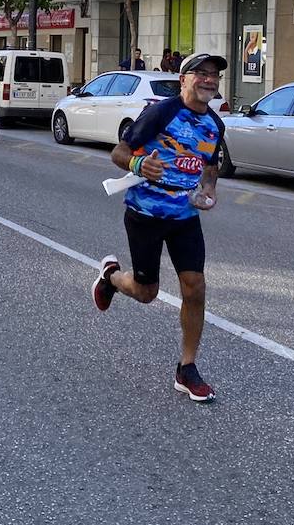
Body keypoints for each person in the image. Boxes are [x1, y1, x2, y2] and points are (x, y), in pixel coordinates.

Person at [93, 51, 227, 403]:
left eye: (214, 75)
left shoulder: (215, 124)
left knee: (195, 287)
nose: (209, 80)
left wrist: (208, 190)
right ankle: (111, 277)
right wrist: (138, 164)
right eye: (201, 73)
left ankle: (187, 368)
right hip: (145, 213)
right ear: (183, 79)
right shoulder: (162, 112)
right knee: (145, 292)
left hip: (184, 215)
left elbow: (210, 165)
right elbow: (118, 152)